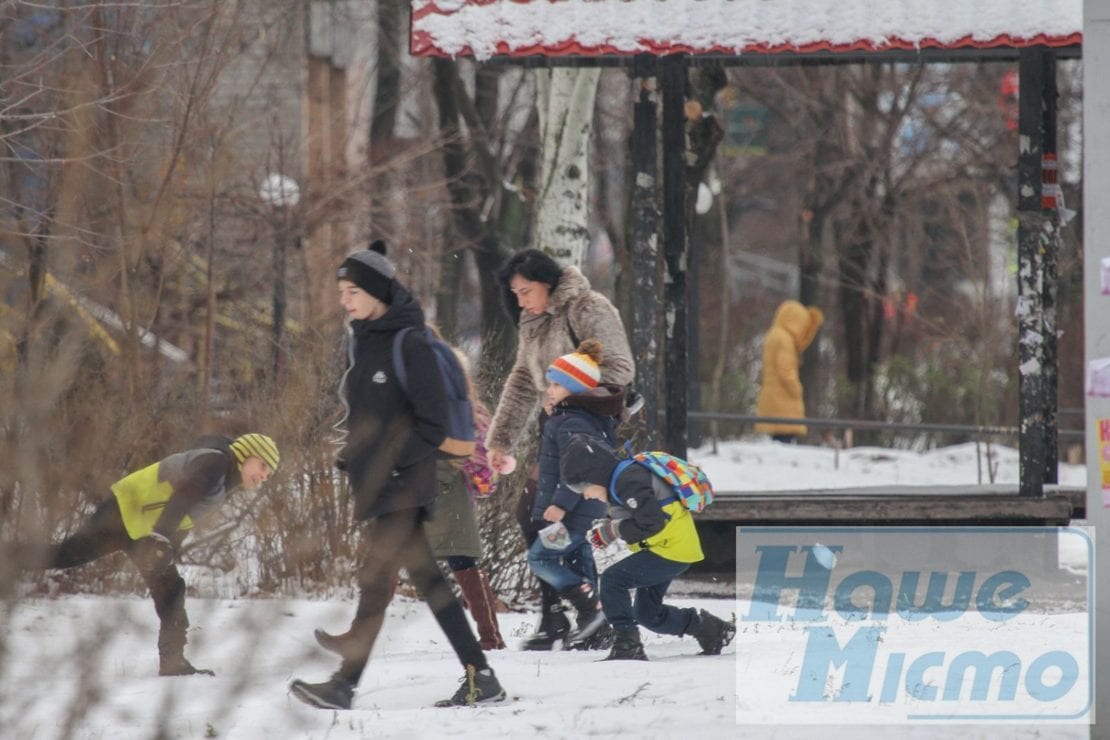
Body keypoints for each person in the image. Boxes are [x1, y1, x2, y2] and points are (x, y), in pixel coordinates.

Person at [290, 241, 506, 711]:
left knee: (377, 581)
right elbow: (375, 416)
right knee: (422, 581)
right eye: (342, 291)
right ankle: (480, 675)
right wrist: (355, 454)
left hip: (405, 482)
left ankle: (346, 684)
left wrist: (387, 459)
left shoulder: (411, 344)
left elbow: (430, 425)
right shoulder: (364, 341)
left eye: (352, 291)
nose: (344, 300)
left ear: (377, 292)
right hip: (383, 483)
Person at [486, 248, 634, 650]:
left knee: (543, 511)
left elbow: (620, 369)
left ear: (547, 283)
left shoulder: (587, 307)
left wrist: (571, 395)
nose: (520, 300)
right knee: (540, 515)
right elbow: (522, 379)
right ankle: (566, 616)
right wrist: (500, 441)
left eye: (526, 290)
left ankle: (584, 609)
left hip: (588, 427)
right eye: (514, 293)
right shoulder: (531, 320)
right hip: (554, 425)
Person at [35, 433, 279, 676]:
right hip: (123, 515)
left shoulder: (225, 475)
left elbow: (185, 514)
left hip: (145, 532)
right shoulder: (216, 464)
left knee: (172, 592)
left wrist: (167, 544)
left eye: (269, 474)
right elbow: (182, 498)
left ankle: (173, 664)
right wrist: (162, 538)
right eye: (263, 466)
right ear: (247, 453)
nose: (264, 476)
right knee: (63, 556)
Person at [559, 434, 736, 661]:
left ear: (594, 476)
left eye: (584, 488)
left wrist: (613, 530)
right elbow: (641, 518)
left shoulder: (628, 480)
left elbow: (651, 522)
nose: (585, 495)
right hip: (666, 548)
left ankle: (627, 644)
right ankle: (711, 630)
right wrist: (610, 530)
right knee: (648, 614)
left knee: (614, 580)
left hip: (670, 550)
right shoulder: (621, 480)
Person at [526, 339, 625, 649]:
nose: (550, 390)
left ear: (577, 389)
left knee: (541, 558)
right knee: (577, 557)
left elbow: (578, 469)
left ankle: (587, 605)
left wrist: (558, 504)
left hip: (570, 513)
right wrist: (550, 417)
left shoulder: (571, 422)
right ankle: (595, 628)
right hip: (581, 512)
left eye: (557, 384)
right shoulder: (574, 419)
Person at [754, 300, 824, 443]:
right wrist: (796, 389)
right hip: (783, 398)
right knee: (785, 437)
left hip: (772, 394)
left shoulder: (774, 334)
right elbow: (785, 370)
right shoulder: (785, 340)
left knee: (778, 436)